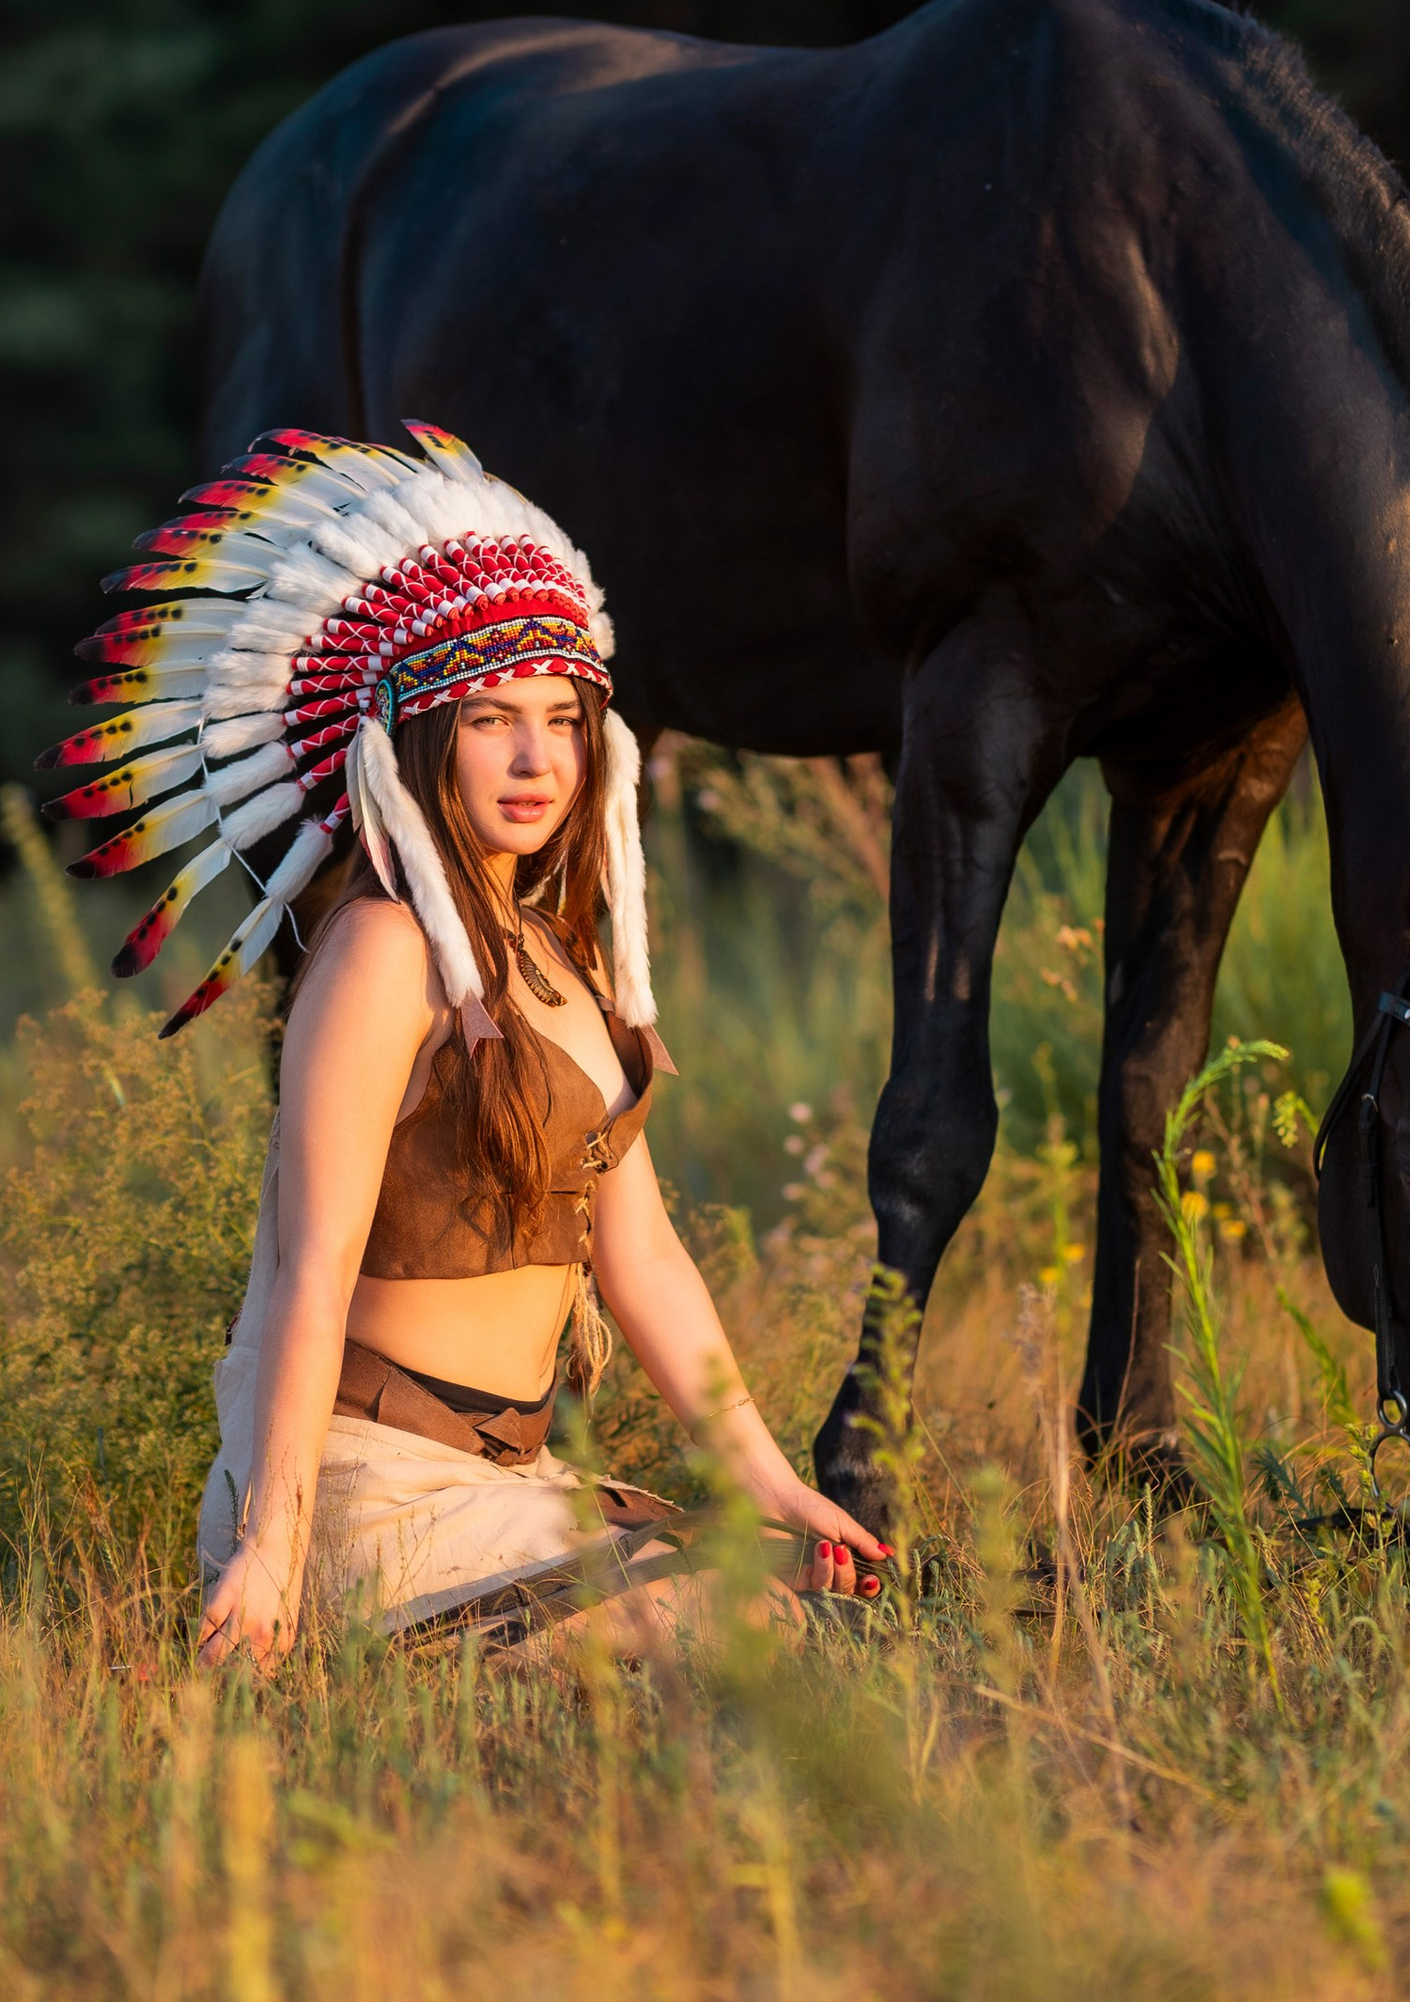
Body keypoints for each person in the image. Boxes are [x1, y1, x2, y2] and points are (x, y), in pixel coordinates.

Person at [44, 423, 888, 1665]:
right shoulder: (384, 947)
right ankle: (356, 1626)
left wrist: (765, 1475)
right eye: (494, 718)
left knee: (809, 1597)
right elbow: (309, 1266)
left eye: (562, 716)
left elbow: (641, 1254)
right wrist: (270, 1544)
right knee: (742, 1631)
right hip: (366, 1486)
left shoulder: (562, 955)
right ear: (415, 740)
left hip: (510, 1472)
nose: (538, 757)